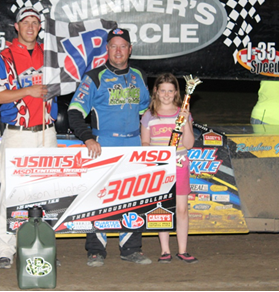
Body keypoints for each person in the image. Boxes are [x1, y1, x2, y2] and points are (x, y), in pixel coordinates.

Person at [68, 27, 152, 267]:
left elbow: (146, 111)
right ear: (107, 49)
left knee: (135, 197)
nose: (118, 50)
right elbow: (74, 112)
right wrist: (87, 138)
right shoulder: (94, 77)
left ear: (130, 49)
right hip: (103, 145)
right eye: (113, 46)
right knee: (99, 198)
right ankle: (96, 250)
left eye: (122, 46)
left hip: (134, 144)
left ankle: (131, 249)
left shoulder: (139, 75)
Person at [0, 7, 58, 269]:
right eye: (25, 22)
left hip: (46, 133)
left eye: (35, 22)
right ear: (16, 26)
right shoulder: (3, 58)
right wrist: (26, 90)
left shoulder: (50, 56)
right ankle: (4, 250)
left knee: (47, 193)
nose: (30, 27)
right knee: (11, 193)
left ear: (40, 27)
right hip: (17, 135)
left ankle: (45, 247)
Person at [140, 73, 198, 264]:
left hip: (180, 165)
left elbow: (189, 144)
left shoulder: (183, 114)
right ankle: (165, 250)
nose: (166, 94)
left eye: (170, 91)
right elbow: (145, 143)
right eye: (162, 90)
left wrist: (186, 122)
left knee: (181, 209)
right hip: (160, 169)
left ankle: (183, 250)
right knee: (162, 208)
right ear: (156, 91)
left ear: (176, 93)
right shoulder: (149, 116)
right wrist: (155, 160)